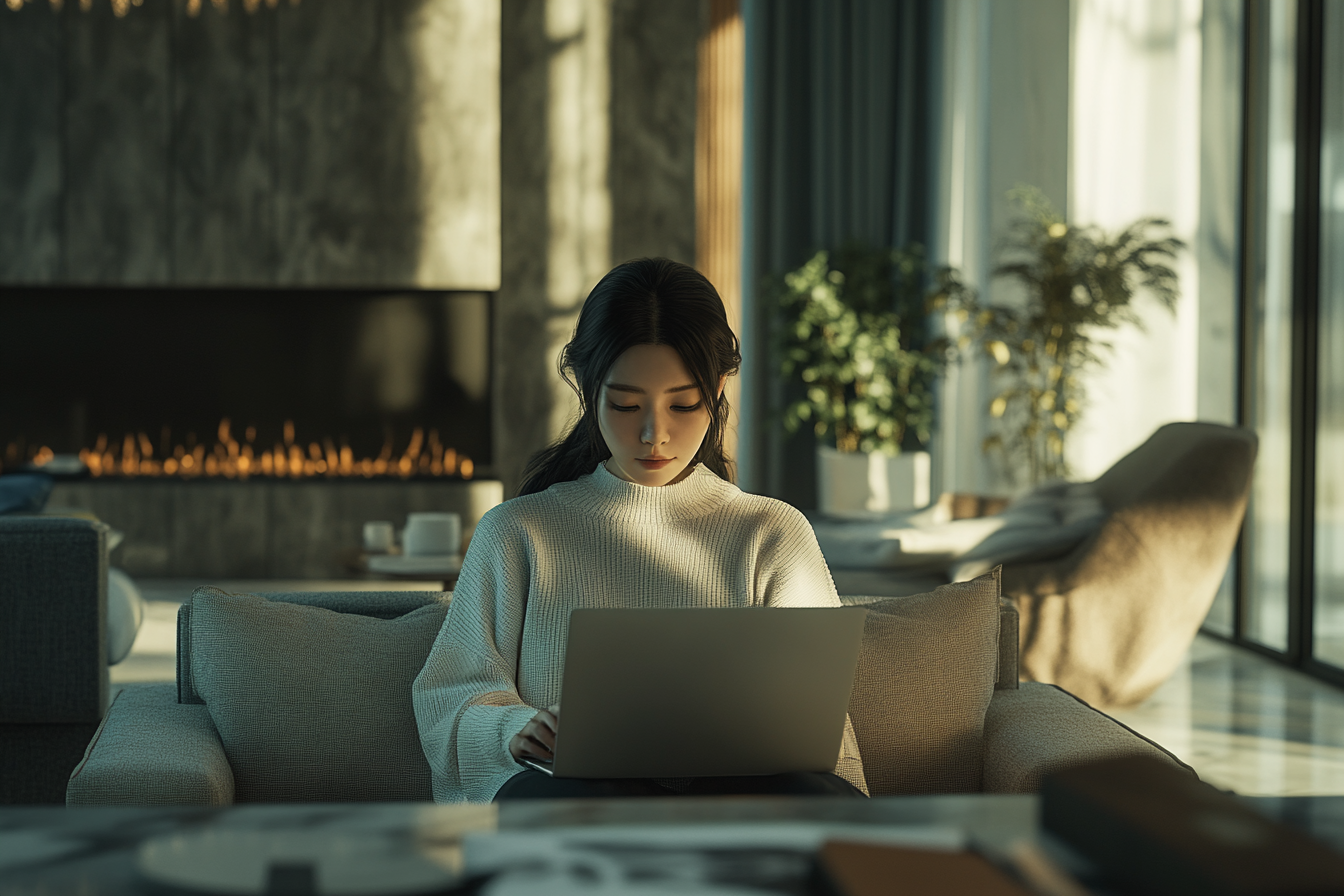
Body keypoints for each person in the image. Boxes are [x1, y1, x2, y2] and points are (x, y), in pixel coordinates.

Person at [412, 257, 868, 802]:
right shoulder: (518, 533)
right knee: (566, 798)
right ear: (586, 387)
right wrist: (514, 729)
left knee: (815, 797)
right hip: (582, 802)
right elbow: (451, 696)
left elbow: (818, 726)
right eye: (627, 405)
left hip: (734, 803)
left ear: (719, 388)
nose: (655, 434)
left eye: (684, 404)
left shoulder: (771, 533)